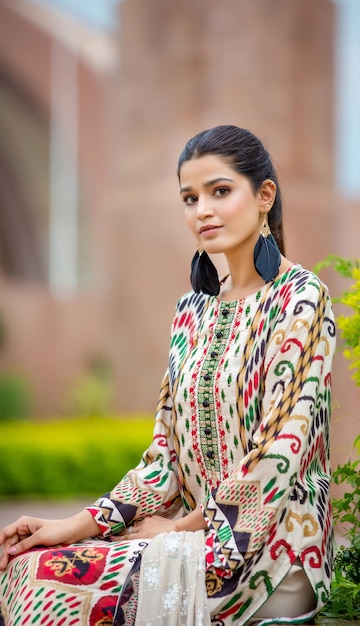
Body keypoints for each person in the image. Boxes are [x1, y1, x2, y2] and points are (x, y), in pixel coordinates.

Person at [0, 125, 336, 626]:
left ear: (264, 195)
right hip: (190, 538)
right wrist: (71, 525)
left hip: (272, 552)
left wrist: (178, 529)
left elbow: (278, 456)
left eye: (220, 191)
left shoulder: (303, 299)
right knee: (29, 562)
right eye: (189, 197)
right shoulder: (191, 312)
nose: (202, 210)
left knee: (58, 586)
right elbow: (164, 460)